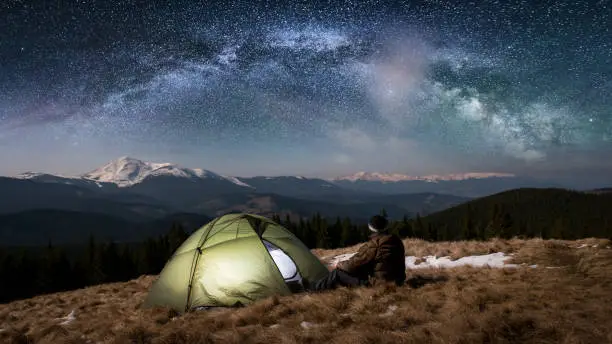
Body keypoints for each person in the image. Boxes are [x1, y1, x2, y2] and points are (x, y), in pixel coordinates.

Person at [304, 214, 406, 292]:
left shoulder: (374, 245)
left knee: (338, 273)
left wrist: (339, 265)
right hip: (398, 282)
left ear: (371, 228)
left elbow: (352, 264)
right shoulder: (397, 241)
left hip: (379, 285)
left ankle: (313, 288)